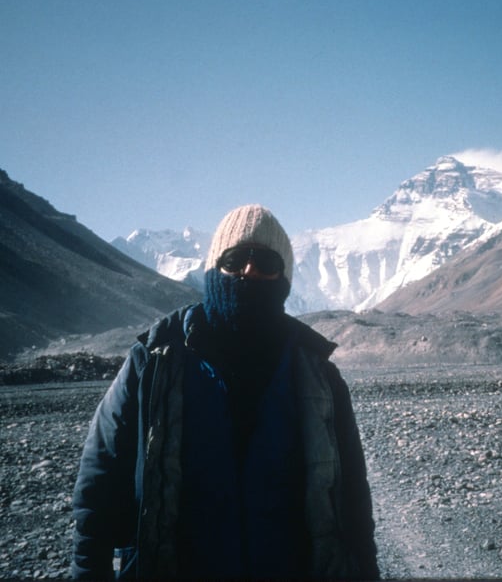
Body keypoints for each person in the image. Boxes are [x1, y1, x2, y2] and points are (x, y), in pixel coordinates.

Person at [71, 204, 379, 580]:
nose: (249, 271)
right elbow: (98, 483)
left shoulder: (318, 375)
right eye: (236, 259)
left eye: (266, 262)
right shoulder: (154, 362)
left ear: (284, 278)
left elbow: (353, 500)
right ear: (213, 268)